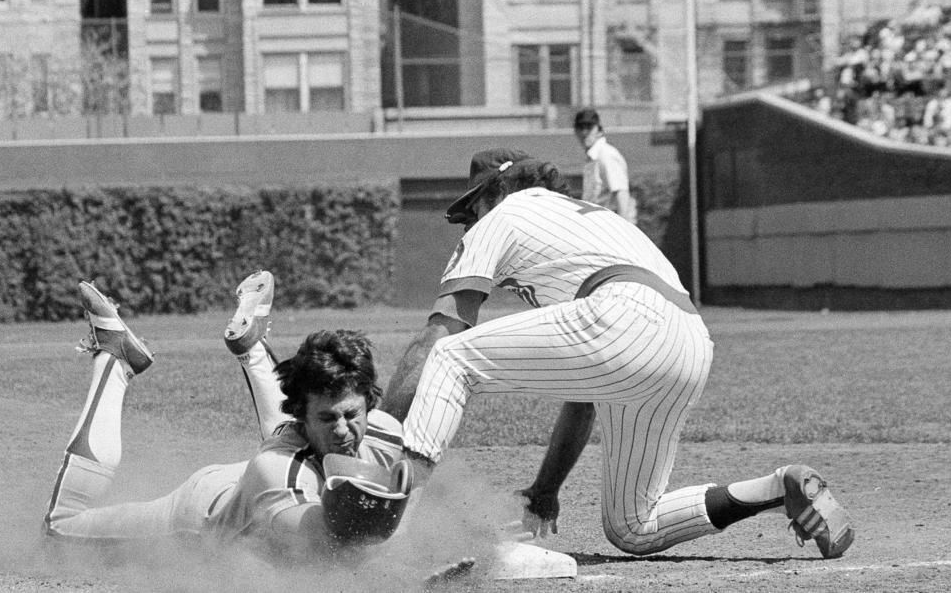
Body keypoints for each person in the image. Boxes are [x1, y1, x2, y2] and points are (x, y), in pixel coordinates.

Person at [382, 149, 855, 559]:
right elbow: (585, 388)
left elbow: (440, 335)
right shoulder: (587, 222)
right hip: (688, 342)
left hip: (626, 316)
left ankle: (390, 529)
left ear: (497, 189)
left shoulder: (505, 214)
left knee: (451, 358)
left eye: (473, 206)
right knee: (633, 527)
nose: (470, 220)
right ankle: (780, 486)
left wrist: (374, 436)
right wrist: (545, 491)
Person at [43, 271, 411, 562]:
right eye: (329, 418)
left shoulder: (384, 432)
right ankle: (114, 357)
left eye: (352, 413)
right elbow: (325, 547)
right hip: (194, 519)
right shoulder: (278, 471)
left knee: (296, 441)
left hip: (250, 484)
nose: (345, 429)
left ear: (368, 401)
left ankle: (252, 349)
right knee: (60, 531)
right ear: (302, 416)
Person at [572, 108, 637, 224]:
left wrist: (623, 229)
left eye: (589, 127)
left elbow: (621, 193)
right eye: (580, 127)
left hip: (612, 225)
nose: (584, 132)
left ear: (599, 131)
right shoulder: (593, 157)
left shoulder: (606, 155)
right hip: (599, 225)